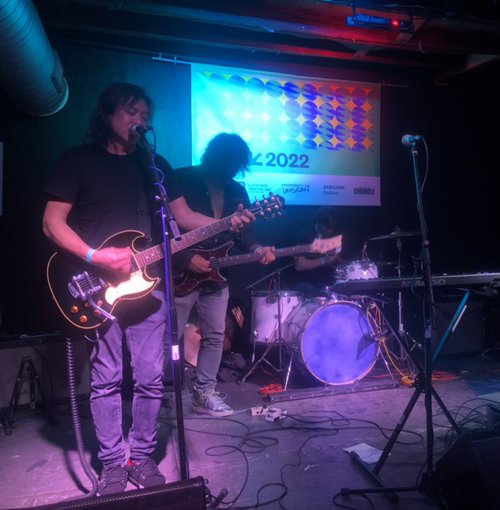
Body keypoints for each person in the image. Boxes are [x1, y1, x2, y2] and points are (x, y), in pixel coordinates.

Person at [42, 83, 254, 496]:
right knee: (106, 379)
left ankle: (140, 458)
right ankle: (111, 464)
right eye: (131, 112)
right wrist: (95, 256)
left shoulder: (155, 166)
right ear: (107, 114)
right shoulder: (77, 161)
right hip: (97, 287)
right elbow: (51, 223)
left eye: (145, 114)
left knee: (151, 378)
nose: (140, 120)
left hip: (150, 285)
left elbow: (184, 217)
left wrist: (229, 222)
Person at [172, 133, 275, 417]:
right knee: (171, 336)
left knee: (215, 335)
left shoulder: (237, 190)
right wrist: (186, 258)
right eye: (228, 161)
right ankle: (164, 393)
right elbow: (166, 228)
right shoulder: (182, 179)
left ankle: (204, 393)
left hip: (218, 273)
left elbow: (244, 234)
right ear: (214, 156)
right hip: (181, 272)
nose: (232, 169)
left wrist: (256, 248)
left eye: (237, 164)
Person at [292, 206, 344, 298]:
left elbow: (337, 260)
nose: (330, 230)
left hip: (329, 282)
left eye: (332, 228)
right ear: (318, 222)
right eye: (328, 227)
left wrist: (339, 261)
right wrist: (325, 260)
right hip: (308, 283)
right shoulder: (304, 235)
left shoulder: (333, 236)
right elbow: (299, 265)